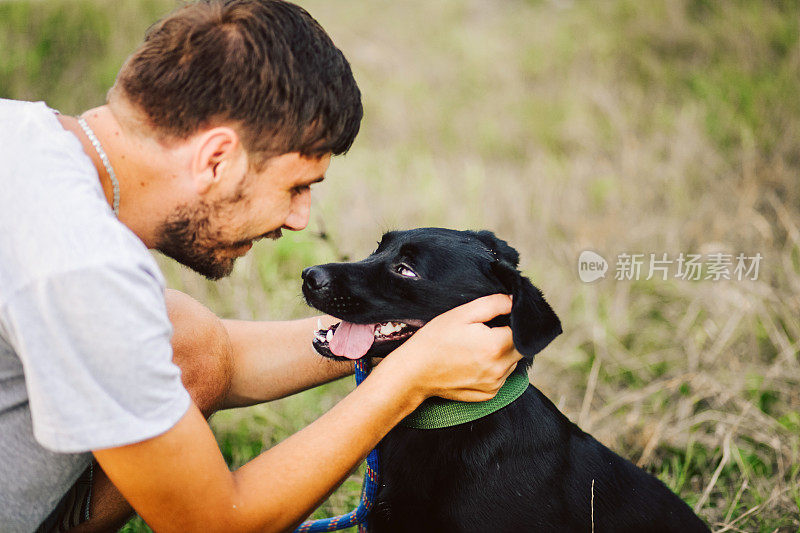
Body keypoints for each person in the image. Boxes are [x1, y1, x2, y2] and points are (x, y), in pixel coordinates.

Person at [0, 1, 520, 531]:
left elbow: (209, 358)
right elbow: (215, 524)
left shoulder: (25, 141)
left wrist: (393, 329)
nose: (301, 219)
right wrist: (407, 380)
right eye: (296, 187)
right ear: (217, 159)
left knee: (190, 344)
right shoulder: (81, 267)